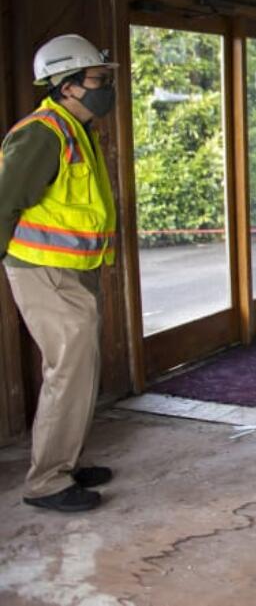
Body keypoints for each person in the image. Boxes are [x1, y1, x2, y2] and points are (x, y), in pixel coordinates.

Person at [0, 35, 120, 512]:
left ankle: (64, 462)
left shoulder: (76, 128)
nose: (106, 86)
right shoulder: (43, 132)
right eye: (98, 79)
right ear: (67, 85)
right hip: (43, 271)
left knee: (78, 367)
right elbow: (5, 199)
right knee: (68, 370)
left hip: (71, 270)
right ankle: (47, 481)